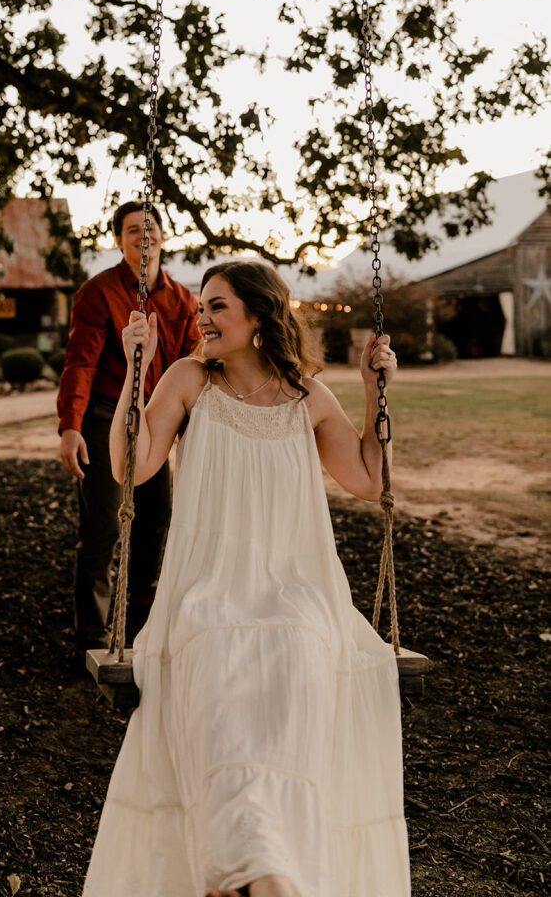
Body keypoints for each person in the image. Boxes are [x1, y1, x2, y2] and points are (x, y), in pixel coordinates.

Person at [81, 259, 411, 897]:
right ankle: (260, 871)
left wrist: (376, 392)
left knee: (299, 674)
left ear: (260, 317)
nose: (201, 318)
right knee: (220, 677)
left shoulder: (308, 398)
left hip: (298, 594)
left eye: (218, 307)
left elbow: (371, 479)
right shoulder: (187, 381)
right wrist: (135, 368)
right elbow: (132, 467)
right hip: (208, 591)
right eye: (201, 307)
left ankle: (254, 868)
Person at [57, 201, 201, 660]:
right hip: (104, 417)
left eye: (152, 227)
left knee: (155, 518)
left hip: (156, 417)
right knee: (103, 526)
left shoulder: (183, 300)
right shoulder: (98, 293)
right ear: (120, 239)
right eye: (134, 230)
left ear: (164, 235)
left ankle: (140, 626)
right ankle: (92, 639)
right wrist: (70, 427)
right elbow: (80, 362)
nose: (145, 236)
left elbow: (193, 363)